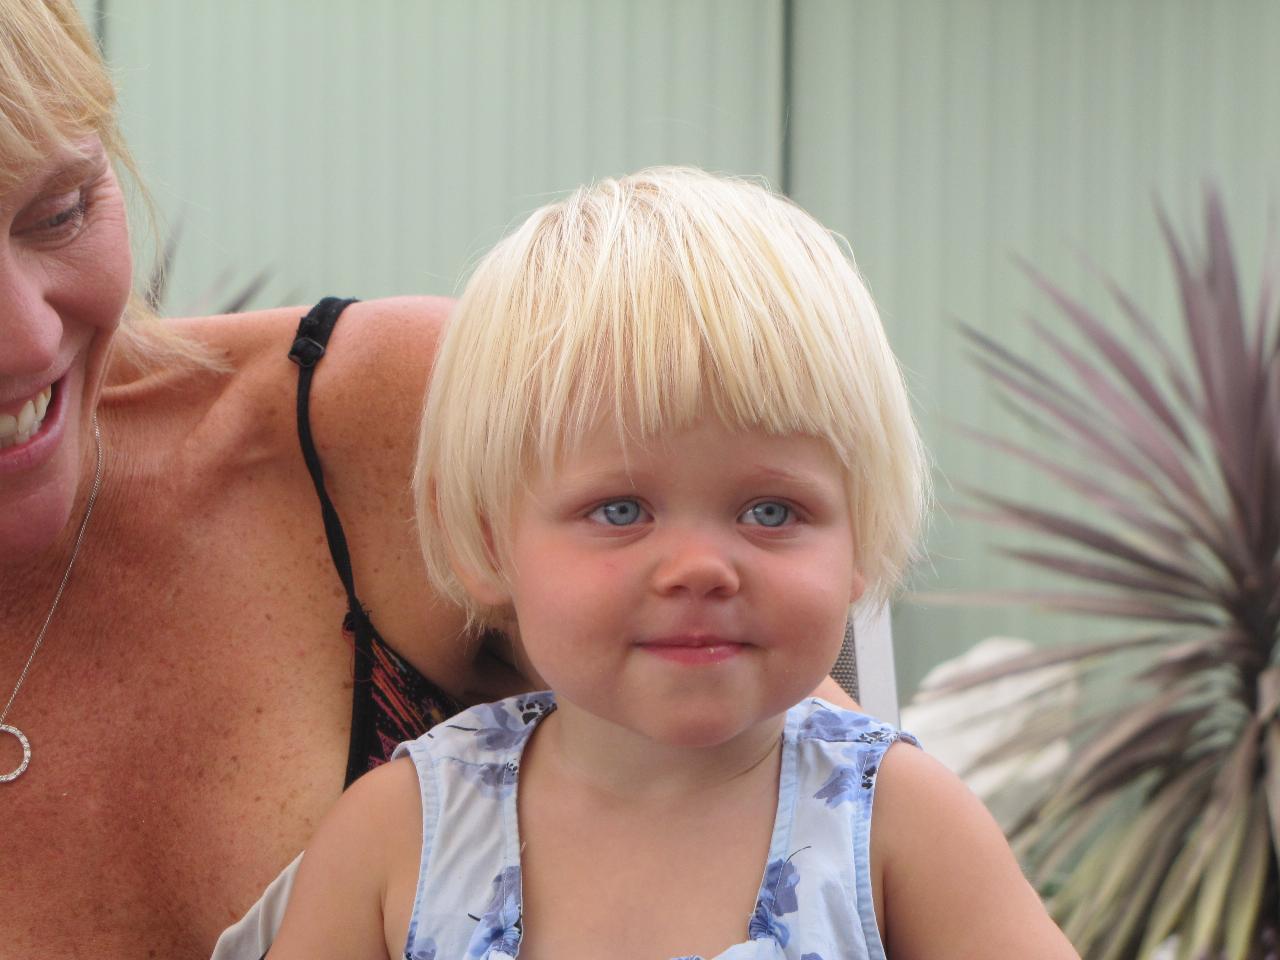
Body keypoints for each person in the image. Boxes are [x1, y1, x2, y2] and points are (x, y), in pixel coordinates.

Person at [0, 6, 857, 957]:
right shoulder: (396, 825)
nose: (28, 339)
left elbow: (817, 796)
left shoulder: (395, 425)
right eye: (622, 512)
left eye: (60, 211)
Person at [268, 168, 1079, 959]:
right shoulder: (402, 832)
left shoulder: (899, 826)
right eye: (620, 511)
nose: (700, 568)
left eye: (771, 512)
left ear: (858, 544)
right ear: (487, 544)